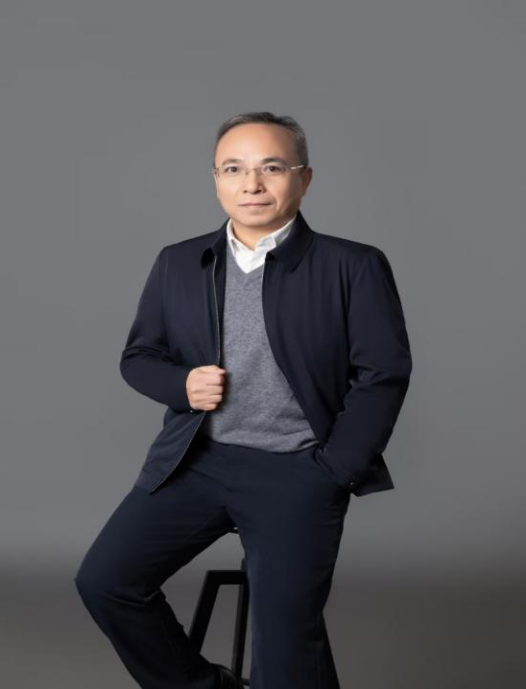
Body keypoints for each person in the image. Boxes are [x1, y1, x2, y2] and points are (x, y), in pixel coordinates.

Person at [74, 111, 413, 689]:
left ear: (304, 179)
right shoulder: (179, 262)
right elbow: (139, 356)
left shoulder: (353, 265)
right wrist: (181, 385)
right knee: (106, 582)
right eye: (233, 169)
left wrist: (333, 471)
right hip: (196, 464)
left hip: (298, 472)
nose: (251, 184)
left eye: (271, 168)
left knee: (284, 645)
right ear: (216, 180)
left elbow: (383, 374)